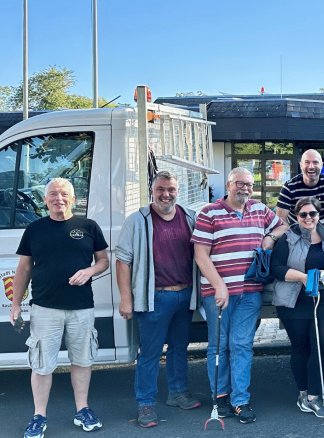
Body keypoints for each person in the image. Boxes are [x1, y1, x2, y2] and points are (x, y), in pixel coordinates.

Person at [10, 178, 110, 438]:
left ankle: (82, 409)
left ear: (73, 199)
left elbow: (103, 262)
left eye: (64, 194)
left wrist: (89, 271)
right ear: (45, 200)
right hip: (45, 308)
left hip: (82, 308)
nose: (59, 198)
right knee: (42, 364)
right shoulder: (34, 229)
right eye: (52, 194)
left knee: (83, 360)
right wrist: (15, 304)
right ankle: (39, 415)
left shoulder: (88, 226)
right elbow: (24, 269)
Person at [192, 167, 285, 424]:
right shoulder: (209, 213)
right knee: (219, 345)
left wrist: (268, 237)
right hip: (217, 294)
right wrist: (219, 285)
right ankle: (220, 395)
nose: (244, 188)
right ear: (228, 184)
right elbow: (200, 255)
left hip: (250, 292)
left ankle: (240, 400)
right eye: (239, 183)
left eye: (248, 184)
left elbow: (283, 225)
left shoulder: (259, 209)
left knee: (241, 345)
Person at [115, 171, 202, 428]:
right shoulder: (137, 220)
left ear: (178, 191)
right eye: (161, 189)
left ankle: (177, 393)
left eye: (171, 189)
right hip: (154, 298)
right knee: (150, 353)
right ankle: (145, 404)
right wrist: (126, 299)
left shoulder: (189, 217)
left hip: (184, 295)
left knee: (179, 349)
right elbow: (123, 261)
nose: (166, 194)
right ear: (152, 191)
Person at [270, 196, 324, 418]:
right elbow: (276, 268)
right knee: (301, 348)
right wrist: (304, 277)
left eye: (312, 213)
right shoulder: (287, 238)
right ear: (297, 216)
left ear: (319, 214)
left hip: (323, 300)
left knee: (322, 347)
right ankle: (303, 393)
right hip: (294, 302)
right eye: (303, 214)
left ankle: (315, 395)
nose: (308, 218)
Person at [277, 149, 324, 228]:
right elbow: (281, 218)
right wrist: (293, 232)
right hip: (296, 228)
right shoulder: (289, 186)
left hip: (322, 226)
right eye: (307, 162)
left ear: (321, 165)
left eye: (315, 162)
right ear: (301, 165)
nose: (311, 166)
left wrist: (316, 225)